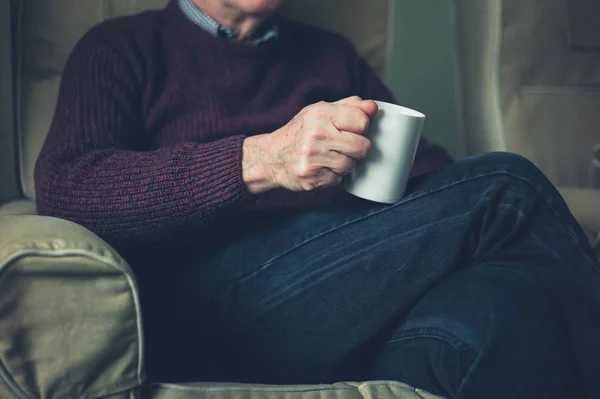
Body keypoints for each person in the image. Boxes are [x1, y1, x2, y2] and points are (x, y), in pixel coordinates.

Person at [34, 0, 600, 398]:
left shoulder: (331, 56)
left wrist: (396, 181)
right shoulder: (121, 47)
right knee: (510, 187)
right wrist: (262, 159)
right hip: (212, 305)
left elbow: (435, 179)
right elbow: (67, 186)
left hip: (347, 292)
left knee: (505, 301)